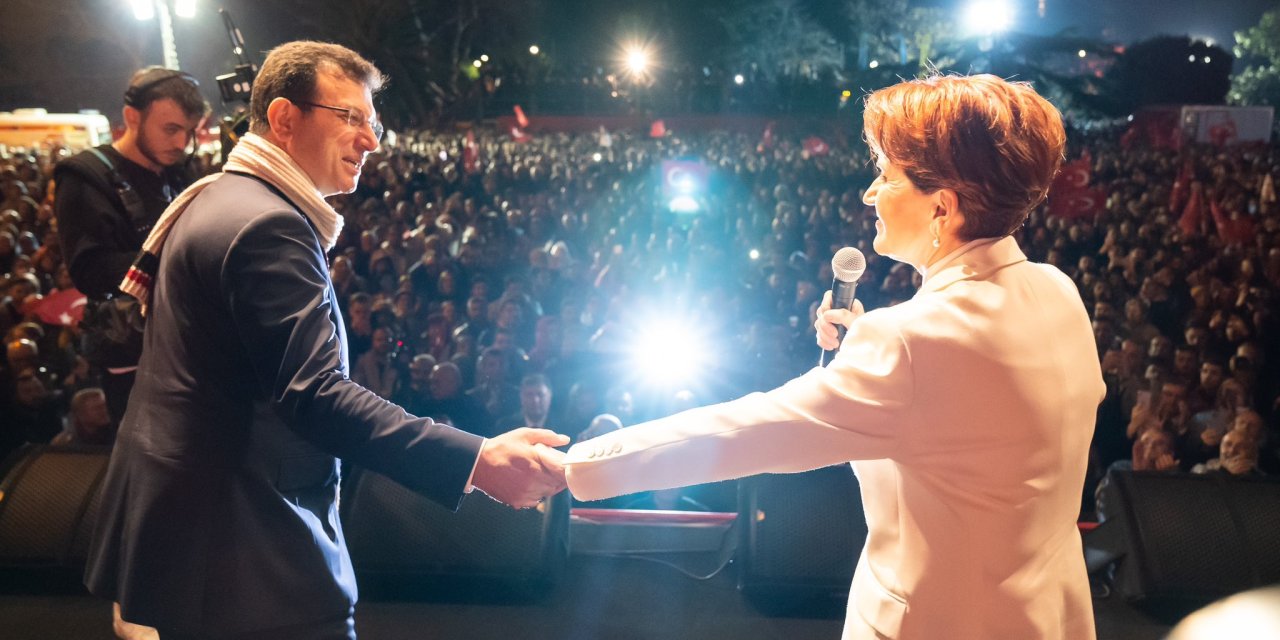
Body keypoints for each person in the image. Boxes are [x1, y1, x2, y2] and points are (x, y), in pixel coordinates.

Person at [564, 74, 1103, 639]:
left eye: (886, 175)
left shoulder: (908, 342)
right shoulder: (1056, 291)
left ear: (942, 209)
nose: (870, 193)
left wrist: (575, 467)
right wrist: (868, 352)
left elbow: (750, 429)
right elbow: (976, 427)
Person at [84, 41, 567, 639]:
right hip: (243, 548)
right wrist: (476, 461)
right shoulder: (269, 225)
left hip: (189, 530)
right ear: (286, 119)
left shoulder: (218, 196)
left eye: (374, 121)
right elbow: (313, 394)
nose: (372, 140)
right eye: (352, 118)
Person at [53, 66, 209, 424]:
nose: (180, 143)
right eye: (170, 129)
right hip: (134, 359)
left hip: (188, 346)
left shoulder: (178, 170)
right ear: (132, 117)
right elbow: (90, 272)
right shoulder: (85, 177)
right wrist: (178, 259)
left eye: (188, 132)